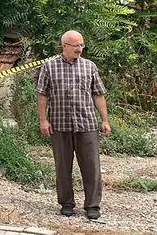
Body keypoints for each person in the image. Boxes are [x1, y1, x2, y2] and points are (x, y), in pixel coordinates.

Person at [36, 31, 111, 220]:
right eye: (76, 45)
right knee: (62, 166)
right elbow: (42, 95)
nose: (80, 48)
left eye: (82, 45)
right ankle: (66, 203)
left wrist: (105, 120)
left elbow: (98, 94)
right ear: (64, 46)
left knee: (91, 166)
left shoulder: (90, 66)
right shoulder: (49, 67)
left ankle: (92, 205)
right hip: (59, 124)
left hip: (86, 123)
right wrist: (43, 120)